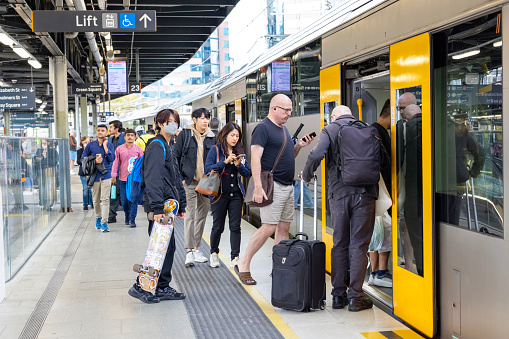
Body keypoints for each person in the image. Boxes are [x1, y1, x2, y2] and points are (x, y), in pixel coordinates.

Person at [302, 105, 387, 312]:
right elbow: (383, 160)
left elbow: (316, 155)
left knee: (340, 243)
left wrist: (306, 175)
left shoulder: (330, 129)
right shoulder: (368, 129)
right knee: (359, 245)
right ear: (351, 114)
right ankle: (355, 297)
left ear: (333, 116)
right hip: (365, 194)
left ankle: (338, 296)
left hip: (339, 194)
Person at [234, 94, 313, 285]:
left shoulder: (283, 130)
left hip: (287, 186)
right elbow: (255, 159)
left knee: (284, 228)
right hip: (272, 185)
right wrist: (258, 187)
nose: (289, 113)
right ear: (273, 108)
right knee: (268, 226)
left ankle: (279, 266)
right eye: (285, 110)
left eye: (290, 110)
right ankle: (243, 263)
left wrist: (300, 146)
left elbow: (288, 155)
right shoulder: (263, 128)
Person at [128, 109, 187, 304]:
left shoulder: (168, 144)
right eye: (169, 121)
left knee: (167, 248)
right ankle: (141, 286)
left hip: (169, 205)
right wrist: (157, 209)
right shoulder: (156, 145)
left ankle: (161, 286)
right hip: (160, 206)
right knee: (158, 248)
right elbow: (153, 179)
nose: (174, 124)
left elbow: (174, 177)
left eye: (175, 121)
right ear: (160, 124)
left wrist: (182, 204)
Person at [204, 122, 251, 268]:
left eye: (237, 135)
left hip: (236, 194)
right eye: (232, 135)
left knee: (235, 226)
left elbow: (248, 173)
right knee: (218, 226)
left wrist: (239, 165)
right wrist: (224, 162)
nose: (235, 138)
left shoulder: (240, 151)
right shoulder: (215, 150)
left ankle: (235, 257)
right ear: (225, 135)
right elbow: (208, 169)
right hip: (219, 194)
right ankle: (213, 253)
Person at [174, 108, 216, 267]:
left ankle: (196, 248)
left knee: (202, 215)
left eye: (207, 118)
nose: (205, 121)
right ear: (194, 119)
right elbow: (175, 158)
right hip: (189, 182)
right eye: (202, 118)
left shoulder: (213, 137)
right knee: (190, 215)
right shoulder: (185, 135)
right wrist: (181, 180)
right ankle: (189, 251)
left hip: (206, 183)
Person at [368, 99, 393, 287]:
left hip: (376, 191)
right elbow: (384, 163)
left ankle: (374, 272)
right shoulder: (379, 132)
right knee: (384, 231)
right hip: (382, 191)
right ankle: (381, 272)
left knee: (377, 231)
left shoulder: (373, 130)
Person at [82, 125, 115, 232]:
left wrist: (105, 148)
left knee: (105, 199)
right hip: (94, 175)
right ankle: (98, 218)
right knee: (96, 200)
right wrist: (94, 161)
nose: (100, 132)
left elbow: (111, 158)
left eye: (102, 131)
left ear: (107, 132)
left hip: (106, 175)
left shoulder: (109, 144)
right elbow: (82, 158)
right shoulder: (90, 145)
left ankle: (104, 222)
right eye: (98, 130)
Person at [111, 129, 144, 227]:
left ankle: (132, 220)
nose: (130, 137)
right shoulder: (119, 149)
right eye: (128, 135)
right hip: (122, 179)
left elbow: (142, 164)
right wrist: (113, 175)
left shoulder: (139, 149)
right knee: (124, 201)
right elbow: (115, 162)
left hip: (135, 180)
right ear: (124, 137)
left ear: (135, 137)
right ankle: (127, 215)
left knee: (133, 199)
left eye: (132, 135)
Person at [108, 120, 126, 223]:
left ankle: (129, 216)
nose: (109, 129)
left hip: (124, 172)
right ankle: (112, 215)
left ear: (116, 128)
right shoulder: (110, 140)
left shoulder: (125, 138)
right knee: (113, 194)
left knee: (125, 195)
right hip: (112, 171)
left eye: (111, 127)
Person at [34, 139, 59, 211]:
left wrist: (45, 157)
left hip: (50, 170)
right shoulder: (39, 150)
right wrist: (39, 159)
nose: (44, 145)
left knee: (50, 186)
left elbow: (55, 161)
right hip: (41, 170)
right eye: (42, 143)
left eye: (45, 143)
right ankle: (42, 202)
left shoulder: (53, 151)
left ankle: (50, 203)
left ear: (49, 143)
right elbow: (35, 160)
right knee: (42, 186)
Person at [77, 136, 93, 210]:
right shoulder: (80, 151)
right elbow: (78, 161)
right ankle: (85, 204)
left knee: (91, 188)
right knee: (85, 188)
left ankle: (92, 203)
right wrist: (85, 161)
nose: (86, 144)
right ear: (82, 143)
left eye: (88, 142)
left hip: (91, 171)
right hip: (83, 172)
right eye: (85, 142)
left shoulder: (92, 150)